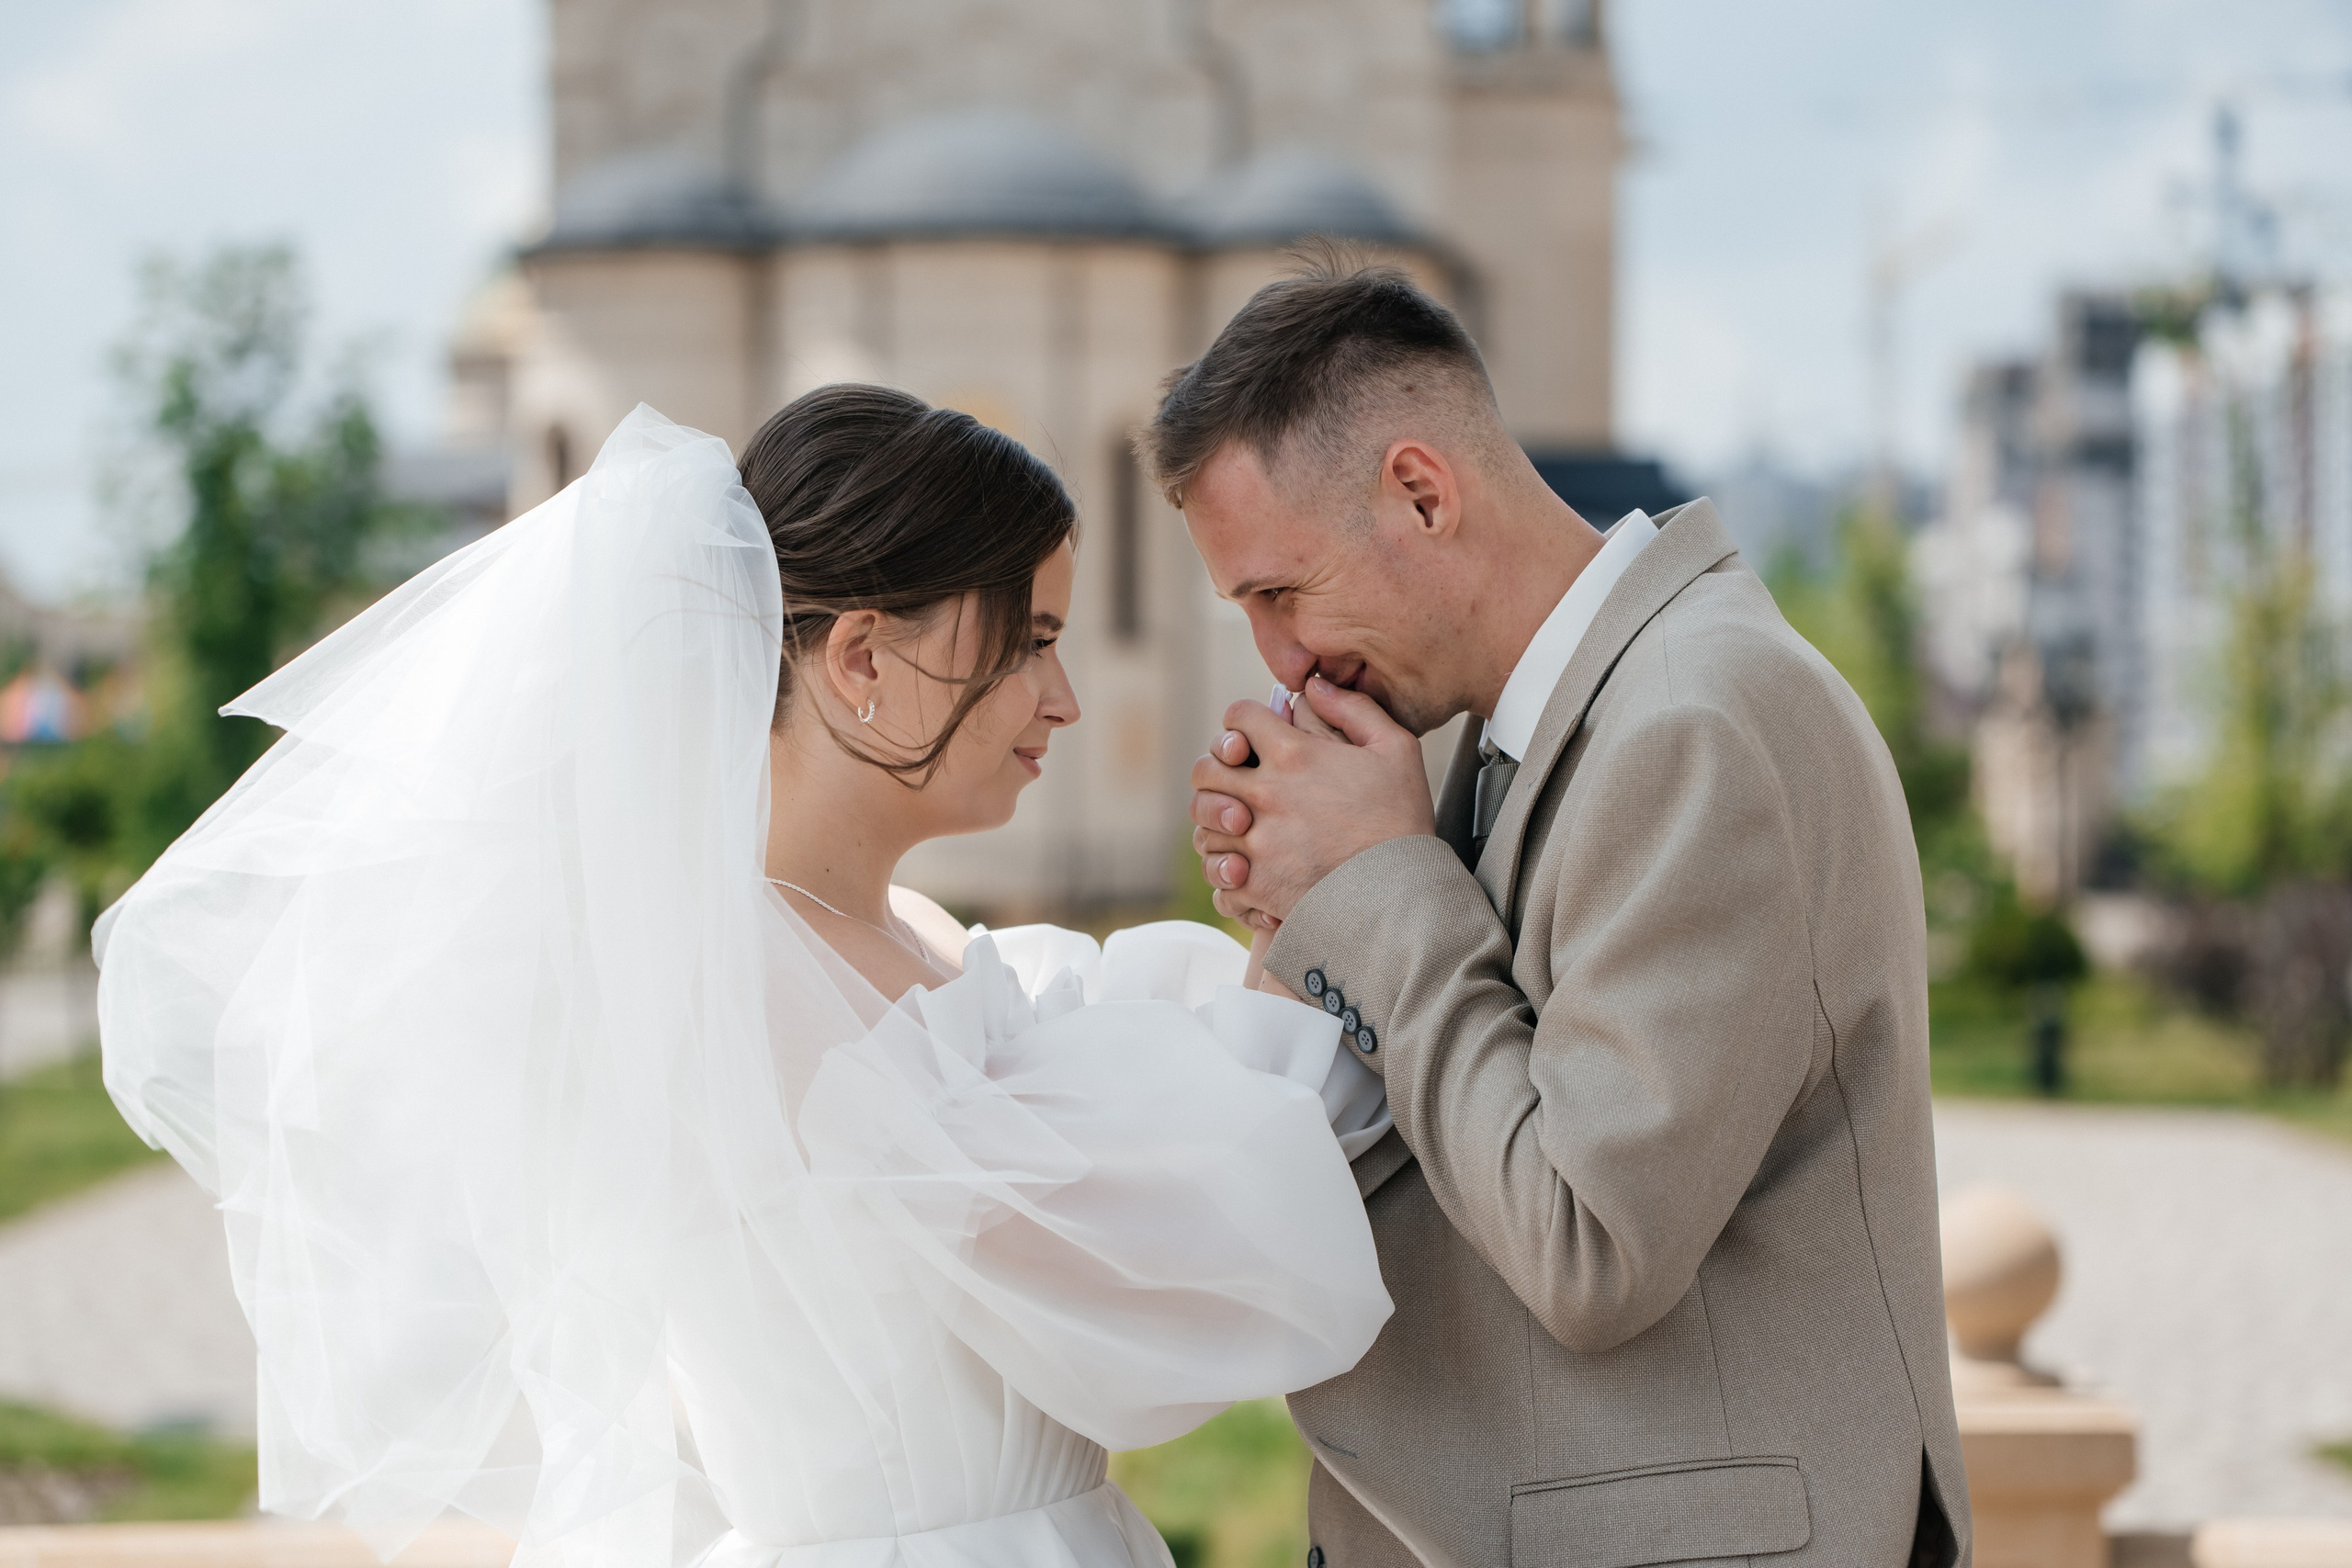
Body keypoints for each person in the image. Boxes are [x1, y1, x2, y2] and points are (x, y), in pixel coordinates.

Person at [94, 389, 1393, 1568]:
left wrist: (1283, 936)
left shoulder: (887, 937)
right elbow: (1139, 1280)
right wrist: (1341, 913)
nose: (1059, 698)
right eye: (1028, 640)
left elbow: (1120, 1135)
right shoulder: (772, 994)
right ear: (863, 661)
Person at [1160, 260, 1971, 1568]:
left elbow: (1590, 1244)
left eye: (1282, 593)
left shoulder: (1700, 727)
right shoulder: (1522, 736)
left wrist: (1377, 885)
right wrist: (1307, 915)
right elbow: (1462, 1113)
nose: (1282, 662)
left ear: (1422, 493)